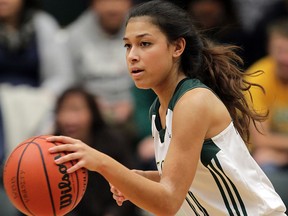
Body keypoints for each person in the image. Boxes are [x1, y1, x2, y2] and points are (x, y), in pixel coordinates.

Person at [47, 1, 286, 215]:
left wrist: (101, 162)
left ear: (177, 48)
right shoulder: (159, 109)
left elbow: (168, 202)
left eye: (145, 44)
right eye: (128, 46)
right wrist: (137, 179)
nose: (132, 56)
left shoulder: (193, 102)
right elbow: (189, 179)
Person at [0, 0, 72, 215]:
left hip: (39, 101)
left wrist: (42, 98)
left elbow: (61, 76)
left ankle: (38, 186)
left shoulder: (43, 24)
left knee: (50, 131)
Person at [53, 87, 138, 216]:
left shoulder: (115, 142)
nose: (70, 118)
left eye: (76, 109)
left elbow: (133, 188)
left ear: (92, 113)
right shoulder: (49, 151)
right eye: (64, 110)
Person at [65, 0, 134, 125]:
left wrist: (133, 102)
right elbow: (69, 84)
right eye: (105, 1)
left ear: (129, 3)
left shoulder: (144, 30)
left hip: (136, 109)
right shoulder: (74, 35)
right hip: (90, 112)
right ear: (93, 4)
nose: (112, 8)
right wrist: (90, 103)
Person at [245, 18, 288, 210]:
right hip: (254, 157)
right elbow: (261, 140)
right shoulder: (256, 80)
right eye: (280, 51)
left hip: (281, 149)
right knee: (265, 157)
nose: (285, 58)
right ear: (269, 48)